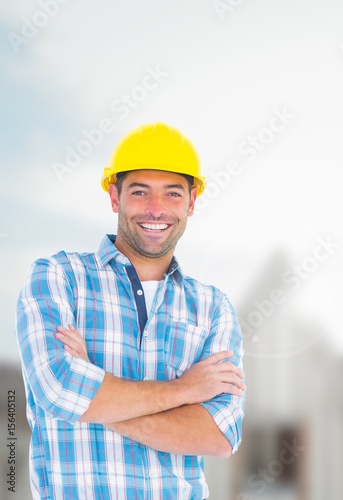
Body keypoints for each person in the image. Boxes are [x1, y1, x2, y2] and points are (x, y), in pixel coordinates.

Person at [15, 122, 246, 500]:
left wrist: (95, 392)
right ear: (114, 196)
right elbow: (59, 389)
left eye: (172, 194)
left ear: (190, 203)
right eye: (140, 192)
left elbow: (219, 435)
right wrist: (184, 390)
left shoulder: (213, 308)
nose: (156, 209)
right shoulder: (58, 277)